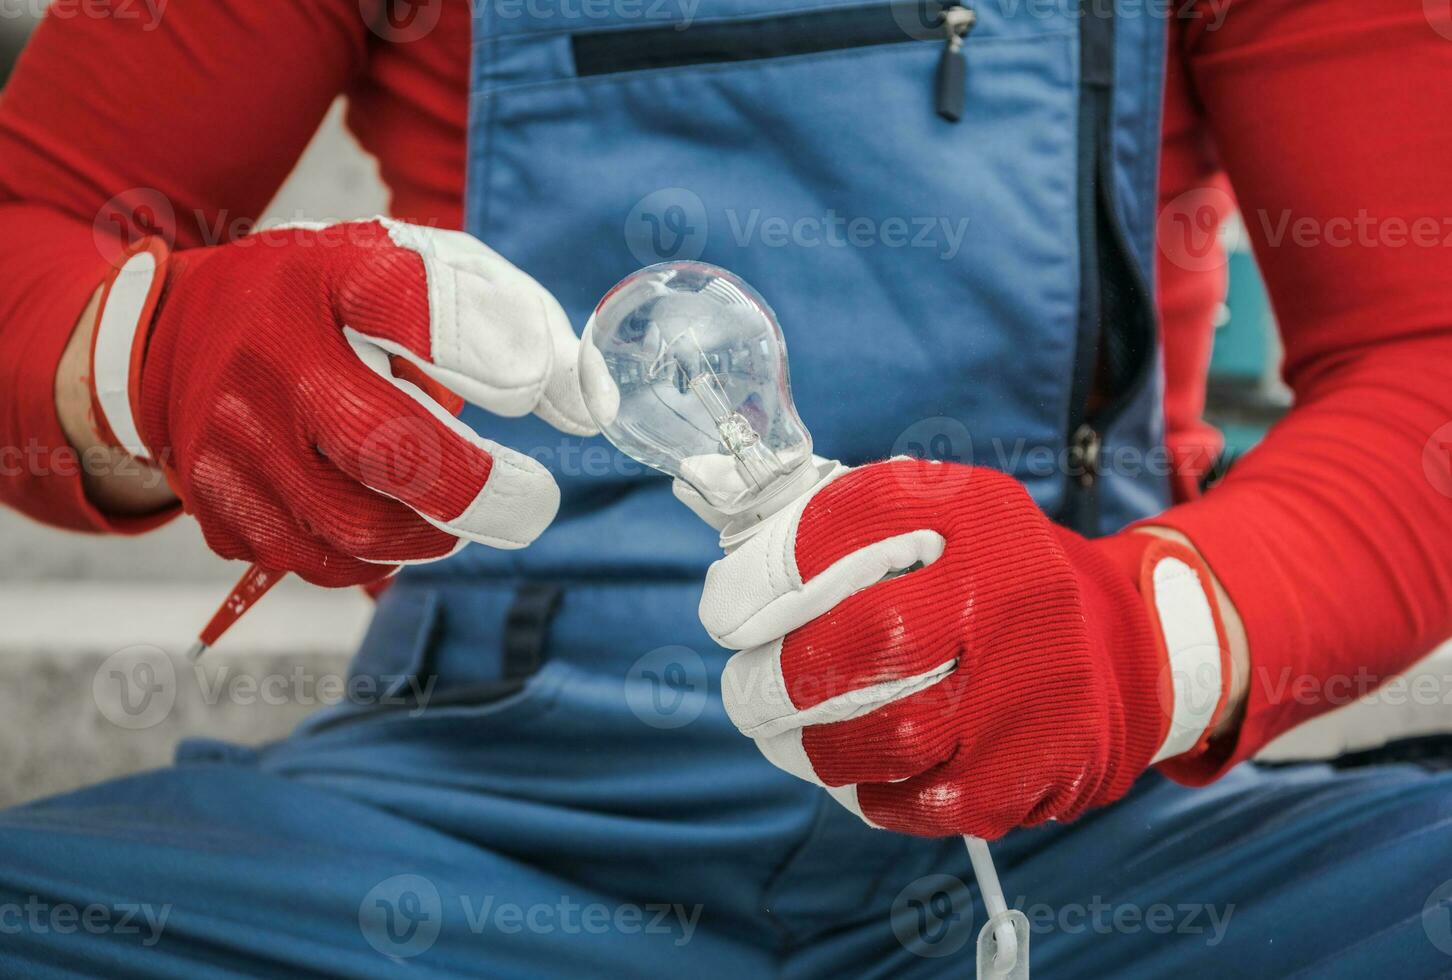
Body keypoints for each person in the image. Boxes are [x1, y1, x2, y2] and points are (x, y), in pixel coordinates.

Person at [0, 0, 1449, 975]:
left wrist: (1146, 640)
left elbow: (1424, 359)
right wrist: (151, 354)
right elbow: (30, 233)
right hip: (475, 823)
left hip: (1089, 808)